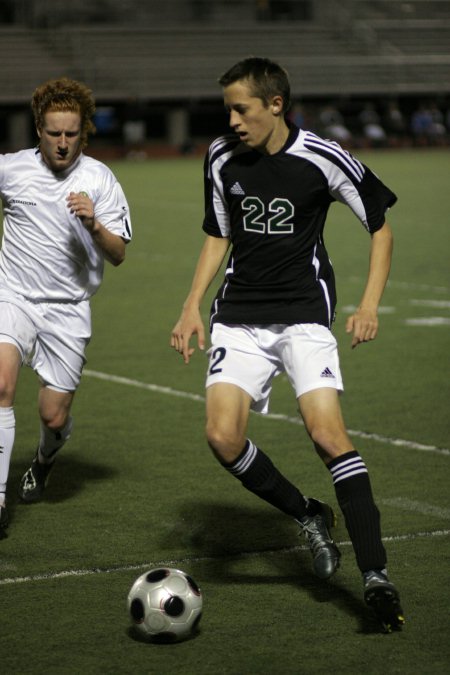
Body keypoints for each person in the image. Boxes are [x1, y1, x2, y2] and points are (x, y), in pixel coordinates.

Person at [171, 57, 404, 632]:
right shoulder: (221, 155)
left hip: (303, 315)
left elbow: (380, 225)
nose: (232, 119)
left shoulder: (322, 157)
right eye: (227, 108)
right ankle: (308, 514)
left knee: (327, 434)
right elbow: (217, 232)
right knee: (222, 437)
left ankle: (375, 575)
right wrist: (190, 304)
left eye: (241, 108)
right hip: (240, 316)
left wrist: (369, 304)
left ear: (275, 104)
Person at [0, 78, 132, 537]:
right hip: (11, 297)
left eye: (71, 134)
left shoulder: (99, 179)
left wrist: (94, 223)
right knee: (1, 383)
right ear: (38, 128)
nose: (62, 143)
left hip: (68, 308)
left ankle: (43, 459)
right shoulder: (12, 169)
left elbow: (117, 254)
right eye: (53, 133)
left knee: (53, 416)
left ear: (84, 132)